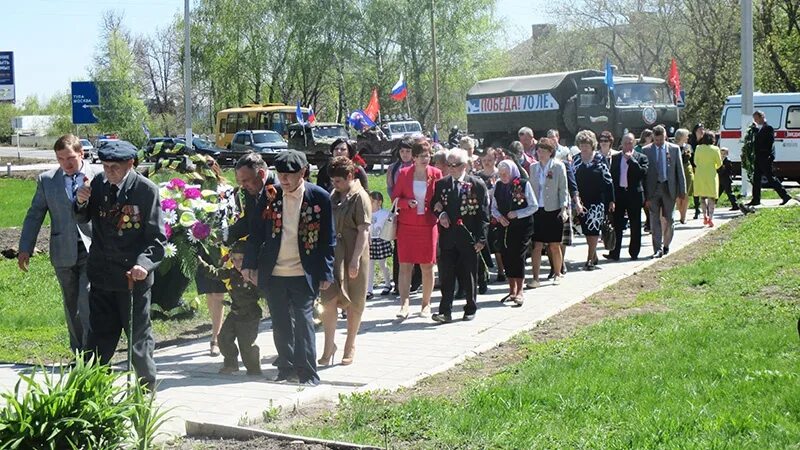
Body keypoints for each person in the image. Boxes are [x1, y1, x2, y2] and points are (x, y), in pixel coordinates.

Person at [75, 140, 166, 389]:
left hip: (132, 279)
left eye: (115, 167)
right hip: (103, 275)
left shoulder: (146, 191)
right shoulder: (98, 185)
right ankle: (91, 390)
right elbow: (83, 216)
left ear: (130, 164)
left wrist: (143, 265)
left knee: (138, 338)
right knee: (98, 337)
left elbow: (157, 239)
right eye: (105, 166)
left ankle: (145, 389)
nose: (109, 172)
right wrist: (81, 202)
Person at [242, 150, 335, 386]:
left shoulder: (319, 197)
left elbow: (327, 238)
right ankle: (286, 368)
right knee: (281, 323)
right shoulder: (271, 196)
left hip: (304, 272)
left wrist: (326, 271)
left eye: (289, 175)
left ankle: (308, 373)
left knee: (304, 323)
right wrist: (249, 264)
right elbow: (255, 233)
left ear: (303, 172)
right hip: (274, 272)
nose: (284, 180)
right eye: (280, 174)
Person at [18, 134, 98, 353]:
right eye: (60, 159)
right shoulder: (47, 180)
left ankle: (93, 353)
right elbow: (35, 214)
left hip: (92, 249)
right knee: (71, 305)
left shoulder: (98, 175)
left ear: (81, 153)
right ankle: (78, 354)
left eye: (70, 157)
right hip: (62, 250)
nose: (66, 163)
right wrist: (25, 248)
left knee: (86, 301)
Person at [319, 157, 371, 366]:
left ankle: (350, 344)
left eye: (339, 181)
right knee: (328, 300)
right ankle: (328, 346)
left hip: (354, 252)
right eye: (333, 181)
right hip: (334, 255)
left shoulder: (360, 197)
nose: (335, 185)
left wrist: (355, 260)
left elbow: (364, 231)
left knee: (355, 302)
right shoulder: (333, 196)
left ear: (350, 176)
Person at [430, 148, 489, 323]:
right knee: (447, 276)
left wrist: (482, 239)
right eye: (448, 165)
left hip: (468, 237)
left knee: (469, 275)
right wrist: (440, 215)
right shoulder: (442, 184)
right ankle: (445, 311)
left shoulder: (476, 185)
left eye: (455, 165)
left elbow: (484, 214)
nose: (451, 168)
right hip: (448, 237)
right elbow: (434, 203)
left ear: (464, 166)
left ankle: (470, 307)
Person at [391, 139, 443, 319]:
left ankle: (425, 304)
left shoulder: (436, 173)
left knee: (427, 267)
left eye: (428, 156)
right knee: (405, 266)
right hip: (406, 226)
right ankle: (404, 304)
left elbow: (441, 197)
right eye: (421, 156)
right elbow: (395, 199)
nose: (425, 159)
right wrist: (406, 203)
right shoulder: (404, 174)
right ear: (413, 157)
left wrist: (439, 206)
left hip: (428, 226)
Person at [197, 240, 263, 375]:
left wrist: (258, 282)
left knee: (247, 344)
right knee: (223, 337)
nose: (237, 263)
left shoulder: (254, 274)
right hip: (235, 311)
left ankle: (254, 369)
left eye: (241, 259)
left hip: (250, 315)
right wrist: (201, 264)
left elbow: (265, 292)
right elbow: (215, 273)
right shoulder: (231, 272)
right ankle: (231, 363)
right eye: (234, 259)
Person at [492, 160, 537, 305]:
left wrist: (518, 213)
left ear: (512, 172)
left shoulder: (523, 184)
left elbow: (533, 206)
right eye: (501, 174)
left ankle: (520, 291)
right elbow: (493, 207)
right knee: (506, 256)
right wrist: (499, 217)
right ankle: (511, 289)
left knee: (518, 256)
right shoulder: (498, 186)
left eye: (506, 174)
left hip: (521, 227)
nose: (503, 177)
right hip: (504, 226)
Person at [527, 138, 569, 288]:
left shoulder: (558, 166)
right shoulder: (533, 167)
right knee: (536, 245)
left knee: (554, 245)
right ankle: (535, 278)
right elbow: (530, 189)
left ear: (550, 152)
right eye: (539, 150)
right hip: (537, 210)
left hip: (553, 210)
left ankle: (557, 273)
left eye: (544, 151)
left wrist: (564, 209)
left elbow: (563, 189)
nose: (540, 154)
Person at [642, 125, 687, 258]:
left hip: (669, 188)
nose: (659, 142)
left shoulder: (674, 149)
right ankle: (657, 248)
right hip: (653, 190)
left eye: (661, 139)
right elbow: (644, 175)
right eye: (656, 140)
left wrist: (682, 191)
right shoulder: (646, 151)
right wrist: (645, 194)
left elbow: (679, 170)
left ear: (665, 136)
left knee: (670, 219)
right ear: (653, 138)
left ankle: (666, 244)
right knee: (654, 220)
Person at [573, 130, 614, 270]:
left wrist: (611, 200)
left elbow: (608, 181)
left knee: (594, 229)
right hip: (581, 201)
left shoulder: (599, 159)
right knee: (586, 229)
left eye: (587, 144)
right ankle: (594, 253)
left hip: (597, 200)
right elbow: (572, 181)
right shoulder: (576, 159)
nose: (584, 147)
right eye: (582, 144)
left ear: (592, 145)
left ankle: (589, 259)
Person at [605, 133, 649, 261]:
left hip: (634, 195)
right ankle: (614, 252)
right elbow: (611, 178)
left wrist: (631, 160)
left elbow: (642, 174)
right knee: (617, 225)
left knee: (635, 225)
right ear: (621, 144)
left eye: (630, 143)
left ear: (634, 143)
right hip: (619, 195)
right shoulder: (615, 158)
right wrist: (611, 199)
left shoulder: (641, 157)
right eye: (626, 143)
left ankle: (634, 252)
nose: (628, 145)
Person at [386, 138, 421, 295]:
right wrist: (398, 203)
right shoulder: (393, 168)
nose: (405, 154)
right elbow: (390, 190)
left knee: (418, 245)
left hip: (416, 210)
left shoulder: (418, 168)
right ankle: (398, 282)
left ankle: (416, 281)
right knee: (399, 248)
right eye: (402, 151)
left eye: (408, 151)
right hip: (399, 210)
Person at [748, 110, 792, 206]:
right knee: (756, 179)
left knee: (770, 178)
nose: (755, 120)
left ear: (761, 117)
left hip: (765, 157)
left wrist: (766, 155)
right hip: (759, 157)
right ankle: (756, 199)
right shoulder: (760, 128)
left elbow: (768, 141)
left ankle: (785, 195)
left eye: (756, 118)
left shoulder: (768, 128)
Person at [478, 148, 505, 282]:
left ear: (495, 159)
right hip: (482, 214)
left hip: (497, 213)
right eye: (484, 160)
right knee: (483, 243)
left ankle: (501, 270)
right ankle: (484, 272)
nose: (487, 163)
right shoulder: (477, 176)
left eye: (490, 160)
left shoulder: (500, 175)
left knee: (497, 243)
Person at [693, 130, 723, 227]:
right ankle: (710, 217)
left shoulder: (698, 148)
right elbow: (719, 163)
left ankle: (704, 216)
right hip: (711, 174)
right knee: (711, 197)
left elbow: (695, 161)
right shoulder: (715, 149)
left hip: (700, 174)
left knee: (702, 196)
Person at [368, 191, 393, 298]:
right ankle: (369, 289)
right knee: (370, 265)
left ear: (379, 202)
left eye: (372, 201)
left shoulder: (384, 213)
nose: (370, 203)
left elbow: (392, 219)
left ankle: (388, 284)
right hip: (370, 241)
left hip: (381, 240)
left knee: (383, 264)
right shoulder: (367, 214)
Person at [673, 129, 695, 224]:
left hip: (687, 171)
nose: (688, 137)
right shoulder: (673, 147)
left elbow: (692, 160)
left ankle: (683, 216)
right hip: (676, 170)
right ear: (681, 136)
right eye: (686, 135)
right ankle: (680, 212)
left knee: (686, 195)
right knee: (678, 195)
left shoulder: (689, 146)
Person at [635, 129, 655, 232]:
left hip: (650, 176)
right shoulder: (638, 149)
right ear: (646, 137)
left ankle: (650, 222)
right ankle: (648, 221)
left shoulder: (652, 148)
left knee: (649, 201)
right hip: (641, 178)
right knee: (644, 202)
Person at [688, 123, 705, 219]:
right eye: (699, 130)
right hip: (694, 167)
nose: (702, 131)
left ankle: (704, 208)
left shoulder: (705, 141)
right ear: (695, 131)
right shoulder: (691, 142)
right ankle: (697, 208)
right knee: (696, 189)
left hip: (703, 168)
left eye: (703, 129)